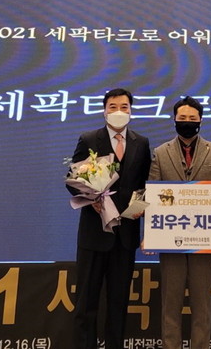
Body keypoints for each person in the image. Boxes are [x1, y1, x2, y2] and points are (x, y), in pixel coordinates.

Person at [66, 88, 151, 349]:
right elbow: (72, 180)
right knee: (86, 302)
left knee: (118, 302)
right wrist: (90, 197)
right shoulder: (89, 139)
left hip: (125, 236)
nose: (118, 112)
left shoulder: (141, 143)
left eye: (124, 107)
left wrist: (139, 206)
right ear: (104, 111)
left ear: (131, 111)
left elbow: (145, 183)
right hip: (94, 235)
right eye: (113, 107)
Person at [148, 96, 211, 349]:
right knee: (170, 304)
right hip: (170, 240)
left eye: (192, 118)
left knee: (202, 304)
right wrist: (149, 234)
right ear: (174, 120)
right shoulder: (160, 153)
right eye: (182, 118)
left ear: (200, 121)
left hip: (205, 240)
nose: (187, 122)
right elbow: (151, 196)